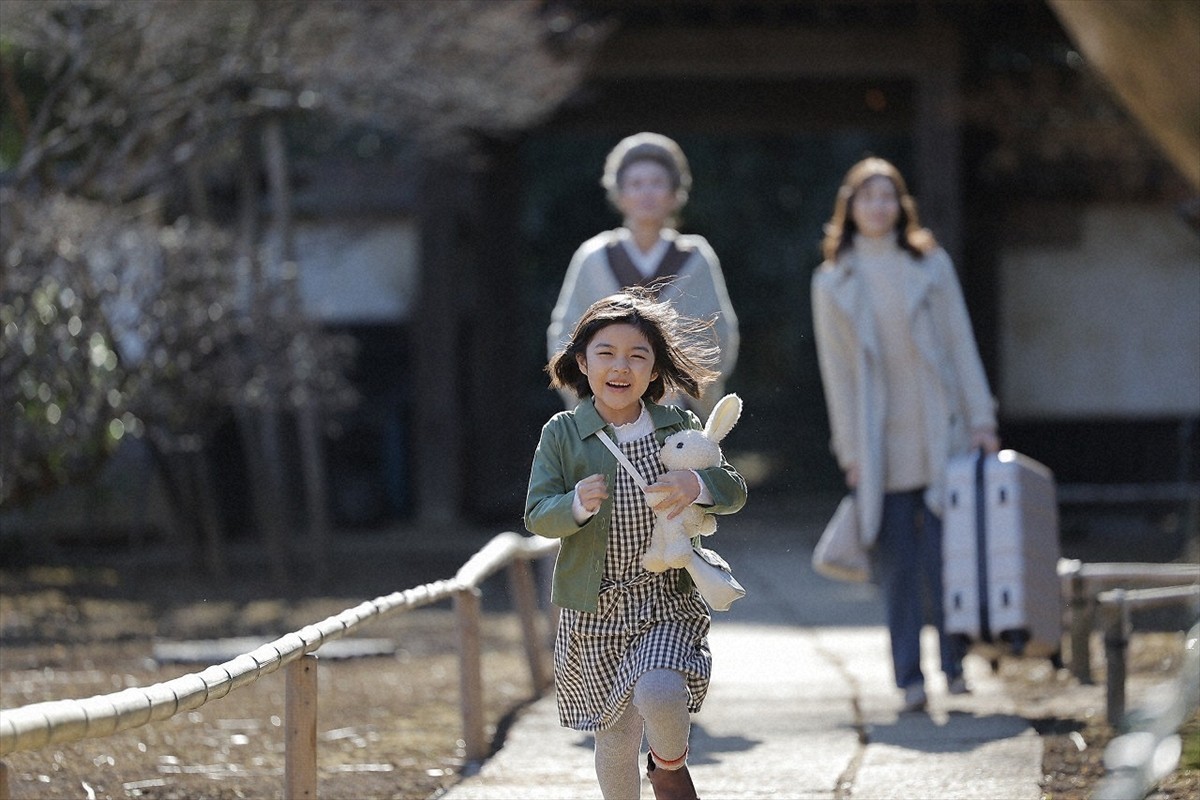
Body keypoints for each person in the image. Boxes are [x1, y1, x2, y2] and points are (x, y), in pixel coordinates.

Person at [525, 290, 748, 799]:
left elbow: (733, 489)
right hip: (594, 607)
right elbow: (537, 513)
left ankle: (669, 767)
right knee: (616, 734)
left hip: (663, 596)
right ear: (582, 362)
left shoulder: (678, 425)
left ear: (655, 372)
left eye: (637, 355)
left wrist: (700, 486)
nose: (620, 366)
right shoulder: (563, 433)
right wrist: (576, 505)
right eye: (606, 353)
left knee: (662, 691)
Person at [810, 157, 1000, 714]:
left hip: (940, 429)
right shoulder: (832, 279)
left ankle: (955, 664)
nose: (878, 206)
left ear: (901, 205)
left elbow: (961, 344)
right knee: (898, 567)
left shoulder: (930, 264)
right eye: (867, 197)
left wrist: (981, 419)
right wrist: (850, 451)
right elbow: (837, 374)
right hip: (878, 442)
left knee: (951, 558)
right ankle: (909, 678)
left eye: (887, 195)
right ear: (850, 208)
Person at [546, 132, 739, 417]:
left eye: (657, 183)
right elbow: (565, 333)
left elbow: (718, 335)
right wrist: (594, 390)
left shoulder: (696, 258)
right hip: (605, 410)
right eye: (636, 184)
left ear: (675, 194)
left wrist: (676, 386)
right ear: (620, 194)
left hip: (674, 413)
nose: (646, 193)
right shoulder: (593, 258)